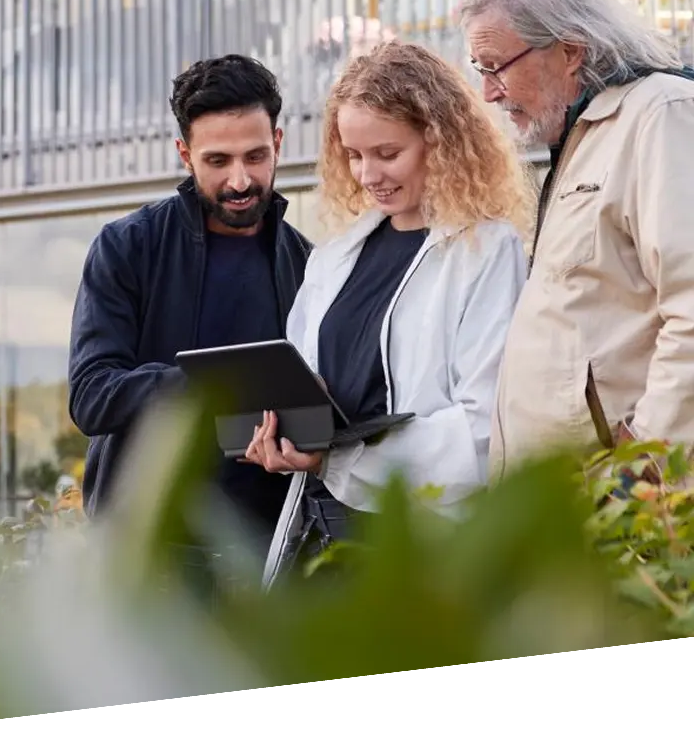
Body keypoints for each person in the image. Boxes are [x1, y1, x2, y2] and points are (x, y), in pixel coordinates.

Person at [242, 41, 535, 587]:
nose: (368, 173)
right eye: (354, 155)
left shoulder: (487, 252)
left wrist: (336, 461)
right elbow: (302, 381)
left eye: (387, 152)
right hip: (323, 538)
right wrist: (278, 431)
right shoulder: (333, 260)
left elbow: (482, 429)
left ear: (437, 140)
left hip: (425, 544)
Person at [459, 0, 694, 479]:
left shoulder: (662, 114)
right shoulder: (582, 132)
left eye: (495, 67)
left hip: (630, 505)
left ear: (569, 51)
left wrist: (643, 467)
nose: (488, 92)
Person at [67, 53, 313, 559]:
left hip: (264, 556)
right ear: (185, 154)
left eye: (256, 156)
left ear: (278, 144)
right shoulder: (126, 248)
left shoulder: (309, 263)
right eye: (218, 161)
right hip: (146, 553)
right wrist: (218, 383)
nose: (241, 181)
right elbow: (92, 396)